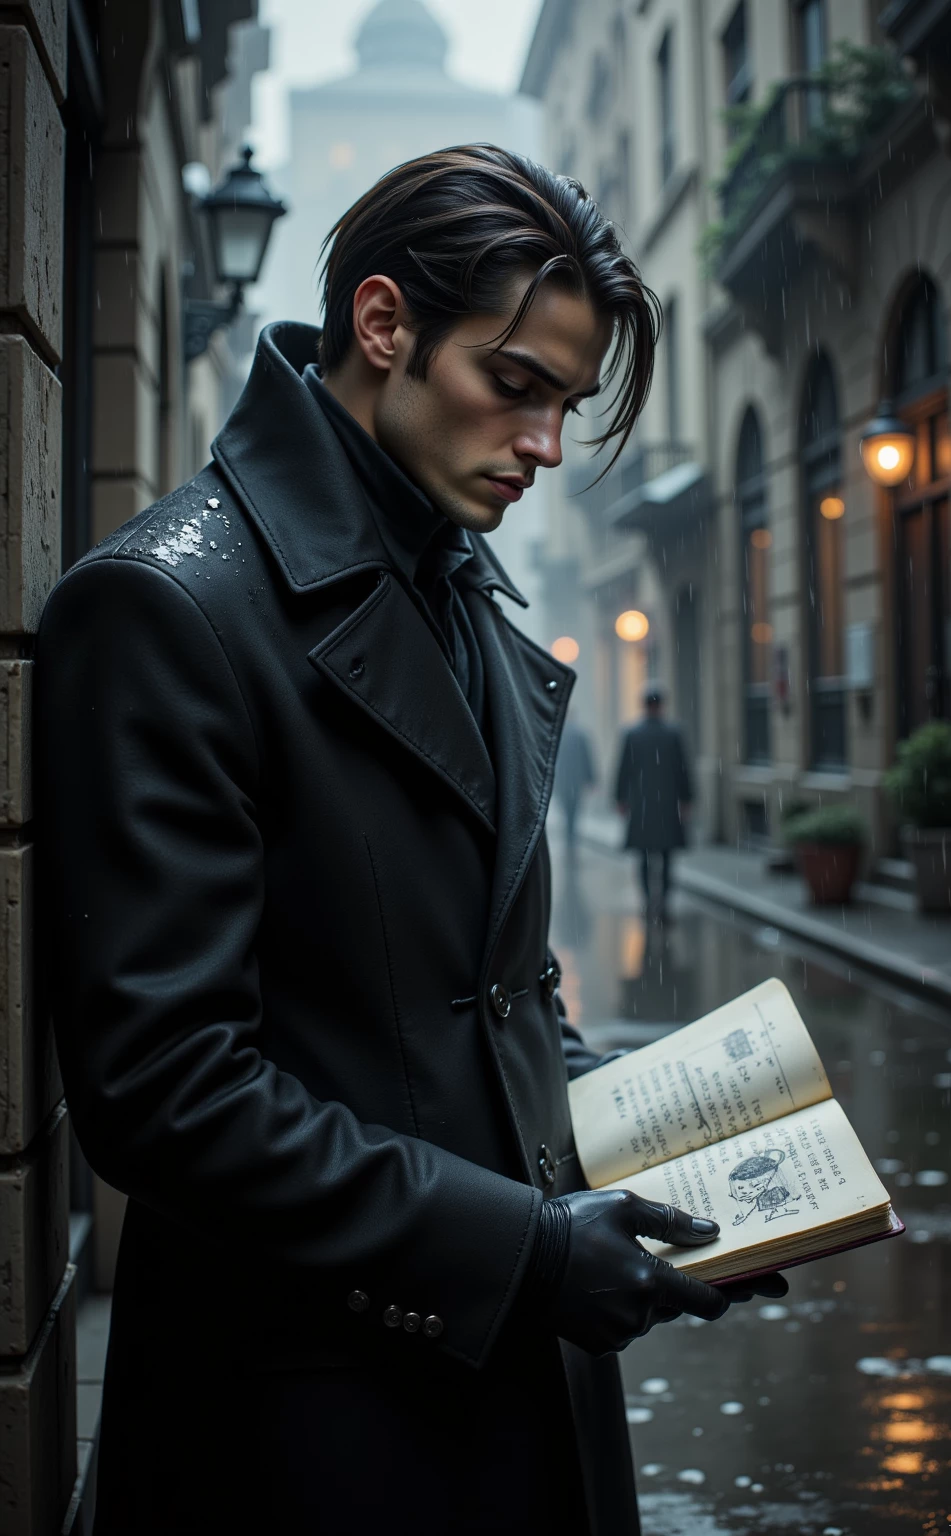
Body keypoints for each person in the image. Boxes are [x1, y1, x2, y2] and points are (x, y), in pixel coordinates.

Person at [33, 146, 784, 1536]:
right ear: (383, 326)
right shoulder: (166, 605)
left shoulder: (462, 589)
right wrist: (527, 1254)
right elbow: (165, 1086)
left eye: (565, 403)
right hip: (305, 1431)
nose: (548, 446)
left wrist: (662, 1163)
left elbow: (488, 992)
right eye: (517, 386)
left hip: (508, 1396)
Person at [615, 684, 693, 916]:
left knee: (645, 856)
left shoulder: (633, 734)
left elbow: (623, 770)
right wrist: (687, 799)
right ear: (661, 705)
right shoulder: (673, 734)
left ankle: (649, 900)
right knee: (667, 856)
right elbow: (683, 770)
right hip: (667, 804)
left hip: (642, 805)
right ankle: (664, 902)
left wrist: (621, 798)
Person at [554, 713, 596, 849]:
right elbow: (587, 758)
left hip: (564, 781)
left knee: (567, 809)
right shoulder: (580, 735)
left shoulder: (560, 735)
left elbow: (556, 761)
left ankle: (569, 834)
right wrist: (591, 779)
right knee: (574, 809)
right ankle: (571, 834)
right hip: (576, 781)